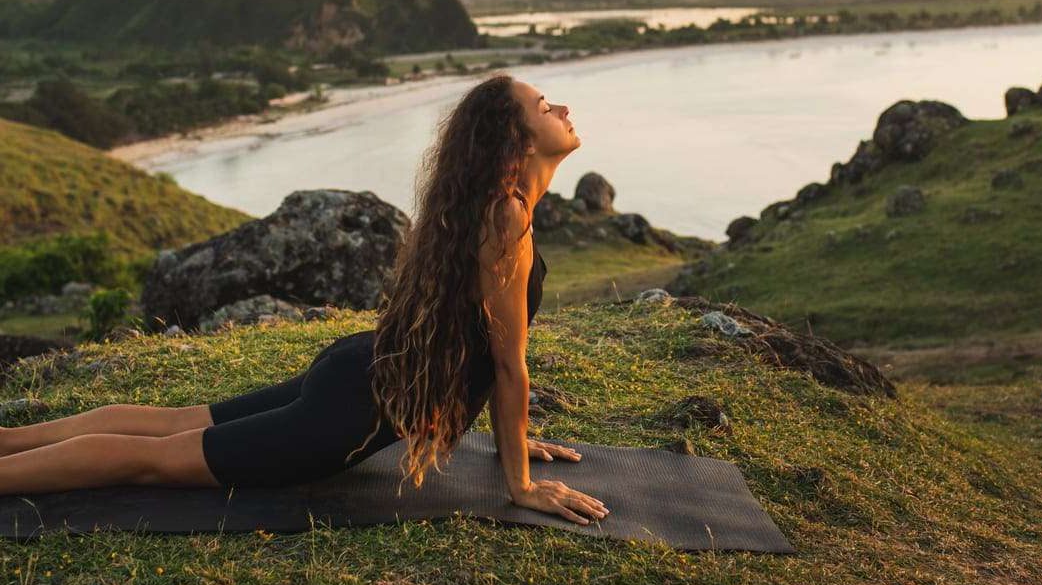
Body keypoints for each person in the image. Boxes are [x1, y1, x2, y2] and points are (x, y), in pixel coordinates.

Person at [0, 74, 609, 526]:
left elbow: (463, 350)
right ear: (517, 141)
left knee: (170, 427)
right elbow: (506, 366)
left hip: (360, 368)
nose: (560, 106)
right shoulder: (508, 219)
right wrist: (521, 485)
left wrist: (510, 437)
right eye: (542, 105)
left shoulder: (488, 206)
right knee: (151, 460)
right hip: (346, 414)